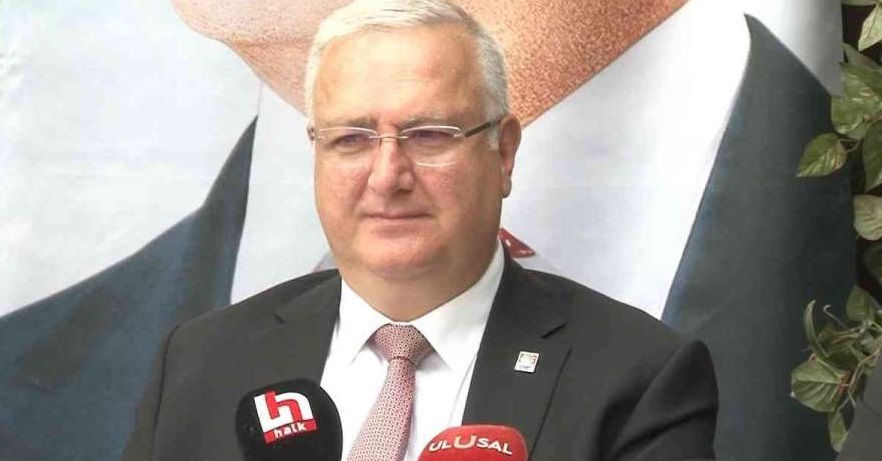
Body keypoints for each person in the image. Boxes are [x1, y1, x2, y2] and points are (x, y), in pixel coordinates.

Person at [121, 1, 718, 460]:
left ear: (504, 153)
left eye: (430, 135)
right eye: (351, 139)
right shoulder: (200, 364)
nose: (387, 176)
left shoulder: (635, 378)